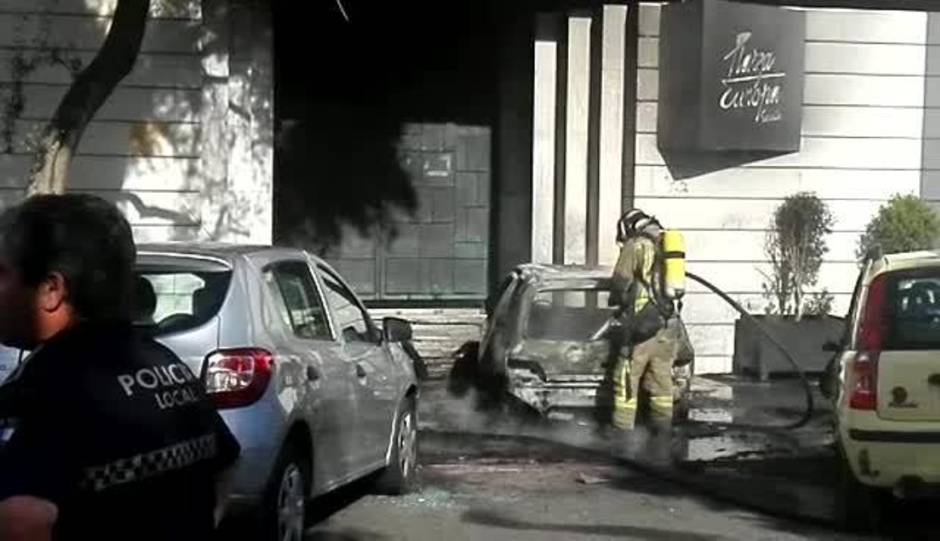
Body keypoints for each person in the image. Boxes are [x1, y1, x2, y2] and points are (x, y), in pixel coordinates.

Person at [0, 194, 240, 540]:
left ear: (51, 290)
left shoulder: (50, 385)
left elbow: (21, 519)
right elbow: (225, 463)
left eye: (2, 273)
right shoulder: (166, 364)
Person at [609, 209, 680, 436]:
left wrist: (617, 301)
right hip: (669, 324)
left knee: (626, 378)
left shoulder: (636, 245)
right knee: (661, 380)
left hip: (643, 326)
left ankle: (623, 433)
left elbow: (621, 280)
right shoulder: (667, 245)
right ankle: (662, 431)